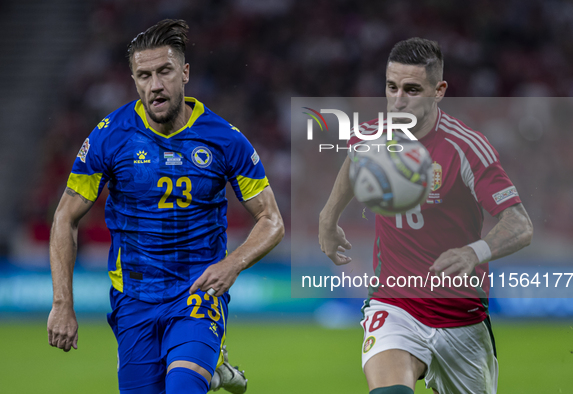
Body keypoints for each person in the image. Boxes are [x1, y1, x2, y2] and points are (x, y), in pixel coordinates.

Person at [47, 19, 284, 394]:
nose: (155, 85)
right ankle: (214, 368)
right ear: (133, 79)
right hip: (134, 300)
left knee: (183, 387)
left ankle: (204, 360)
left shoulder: (225, 140)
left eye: (164, 72)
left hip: (197, 294)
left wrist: (233, 263)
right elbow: (65, 217)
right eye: (144, 75)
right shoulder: (111, 136)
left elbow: (271, 220)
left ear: (185, 72)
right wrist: (62, 303)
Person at [319, 38, 533, 394]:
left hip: (461, 317)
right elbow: (356, 159)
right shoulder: (373, 134)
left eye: (412, 89)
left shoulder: (465, 148)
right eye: (392, 87)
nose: (399, 100)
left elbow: (520, 224)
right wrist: (329, 217)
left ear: (439, 90)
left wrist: (473, 252)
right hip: (394, 304)